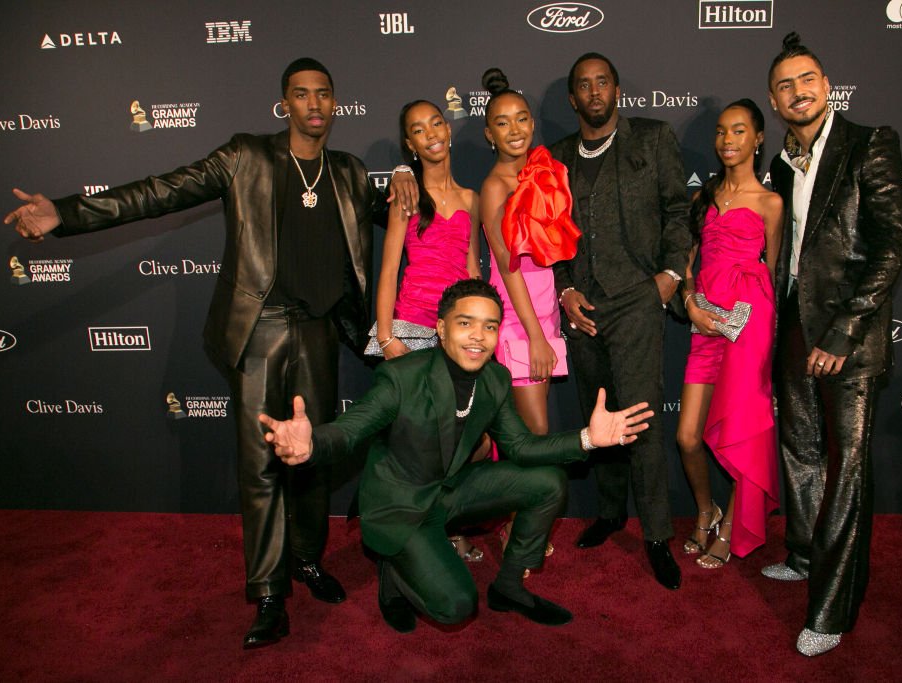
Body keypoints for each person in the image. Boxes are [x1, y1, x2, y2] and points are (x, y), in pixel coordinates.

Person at [3, 57, 417, 649]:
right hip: (260, 330)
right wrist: (64, 215)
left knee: (314, 456)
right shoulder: (246, 156)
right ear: (285, 103)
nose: (315, 105)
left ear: (335, 102)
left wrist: (406, 169)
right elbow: (157, 192)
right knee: (259, 467)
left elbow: (424, 216)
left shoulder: (348, 172)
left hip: (323, 332)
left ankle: (305, 560)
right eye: (302, 95)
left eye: (324, 95)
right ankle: (269, 593)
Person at [259, 279, 653, 632]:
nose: (478, 337)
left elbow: (520, 447)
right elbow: (351, 429)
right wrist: (313, 445)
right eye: (465, 323)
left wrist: (587, 438)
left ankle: (510, 587)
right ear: (441, 328)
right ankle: (393, 568)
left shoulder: (495, 379)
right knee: (456, 607)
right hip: (401, 505)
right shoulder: (402, 377)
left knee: (548, 481)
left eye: (490, 326)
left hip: (450, 490)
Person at [761, 33, 902, 656]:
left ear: (827, 85)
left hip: (851, 332)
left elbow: (891, 246)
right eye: (787, 85)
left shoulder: (868, 143)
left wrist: (845, 329)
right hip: (794, 324)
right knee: (800, 449)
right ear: (774, 99)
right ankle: (802, 552)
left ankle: (831, 612)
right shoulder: (779, 162)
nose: (800, 92)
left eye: (809, 79)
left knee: (846, 469)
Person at [550, 52, 693, 590]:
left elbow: (680, 212)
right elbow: (550, 232)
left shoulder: (652, 139)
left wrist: (670, 276)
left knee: (642, 419)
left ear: (616, 90)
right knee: (597, 413)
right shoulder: (557, 155)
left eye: (602, 82)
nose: (593, 91)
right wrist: (564, 289)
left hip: (638, 296)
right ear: (572, 98)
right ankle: (610, 514)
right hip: (583, 304)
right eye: (582, 84)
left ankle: (656, 535)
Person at [371, 99, 485, 562]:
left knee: (468, 445)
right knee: (420, 450)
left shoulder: (473, 199)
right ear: (410, 144)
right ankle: (419, 538)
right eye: (418, 130)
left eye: (436, 122)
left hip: (459, 338)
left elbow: (474, 268)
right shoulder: (407, 197)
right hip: (412, 330)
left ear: (449, 130)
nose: (431, 133)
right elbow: (389, 269)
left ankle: (445, 523)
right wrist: (385, 337)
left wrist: (482, 332)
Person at [479, 68, 582, 558]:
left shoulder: (539, 172)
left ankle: (517, 525)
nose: (515, 128)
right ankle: (516, 530)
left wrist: (550, 322)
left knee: (527, 432)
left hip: (543, 310)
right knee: (534, 434)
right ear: (488, 133)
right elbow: (508, 264)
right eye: (503, 122)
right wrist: (537, 337)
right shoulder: (495, 185)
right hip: (520, 317)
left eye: (522, 118)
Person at [676, 99, 782, 570]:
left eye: (739, 131)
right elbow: (688, 265)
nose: (728, 140)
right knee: (686, 437)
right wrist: (689, 304)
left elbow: (772, 271)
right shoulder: (704, 199)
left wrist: (757, 329)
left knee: (741, 429)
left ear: (758, 138)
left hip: (747, 326)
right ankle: (706, 509)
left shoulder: (771, 203)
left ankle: (732, 523)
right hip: (705, 323)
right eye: (721, 132)